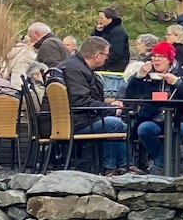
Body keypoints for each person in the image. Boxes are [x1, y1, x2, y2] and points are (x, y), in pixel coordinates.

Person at [55, 37, 130, 174]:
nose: (107, 59)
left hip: (70, 119)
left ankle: (123, 166)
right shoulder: (76, 70)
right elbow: (80, 101)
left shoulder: (73, 66)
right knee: (115, 124)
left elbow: (83, 98)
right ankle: (110, 169)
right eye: (106, 55)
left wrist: (109, 105)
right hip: (74, 122)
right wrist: (111, 109)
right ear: (97, 56)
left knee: (122, 125)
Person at [121, 42, 183, 173]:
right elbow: (129, 96)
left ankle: (159, 166)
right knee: (144, 129)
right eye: (153, 56)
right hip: (152, 117)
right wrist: (138, 76)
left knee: (179, 130)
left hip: (178, 118)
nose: (156, 60)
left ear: (169, 59)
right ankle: (166, 163)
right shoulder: (146, 75)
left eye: (160, 57)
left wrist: (177, 83)